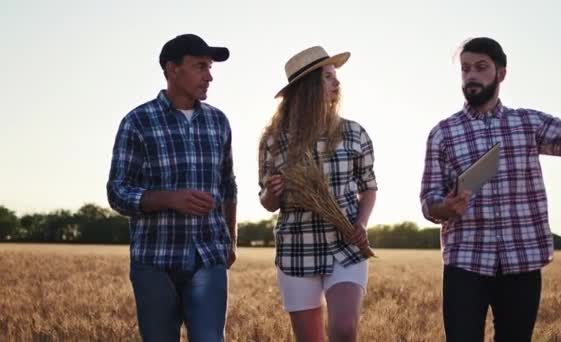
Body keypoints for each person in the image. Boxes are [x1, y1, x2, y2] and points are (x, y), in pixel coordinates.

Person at [420, 37, 561, 342]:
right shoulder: (443, 133)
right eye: (466, 69)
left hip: (522, 261)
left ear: (501, 73)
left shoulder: (528, 123)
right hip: (465, 262)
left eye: (481, 67)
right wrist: (446, 207)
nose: (471, 75)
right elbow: (429, 200)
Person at [107, 33, 238, 342]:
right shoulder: (137, 122)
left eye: (210, 68)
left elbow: (228, 185)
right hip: (155, 261)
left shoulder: (219, 122)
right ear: (171, 69)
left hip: (208, 257)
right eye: (200, 66)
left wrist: (230, 241)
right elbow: (117, 191)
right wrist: (168, 199)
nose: (209, 76)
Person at [257, 46, 377, 342]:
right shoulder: (274, 140)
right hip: (297, 249)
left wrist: (361, 223)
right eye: (328, 77)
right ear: (307, 88)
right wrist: (273, 192)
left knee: (345, 330)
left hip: (346, 246)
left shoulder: (353, 133)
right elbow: (267, 202)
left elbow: (369, 187)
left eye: (336, 77)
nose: (337, 83)